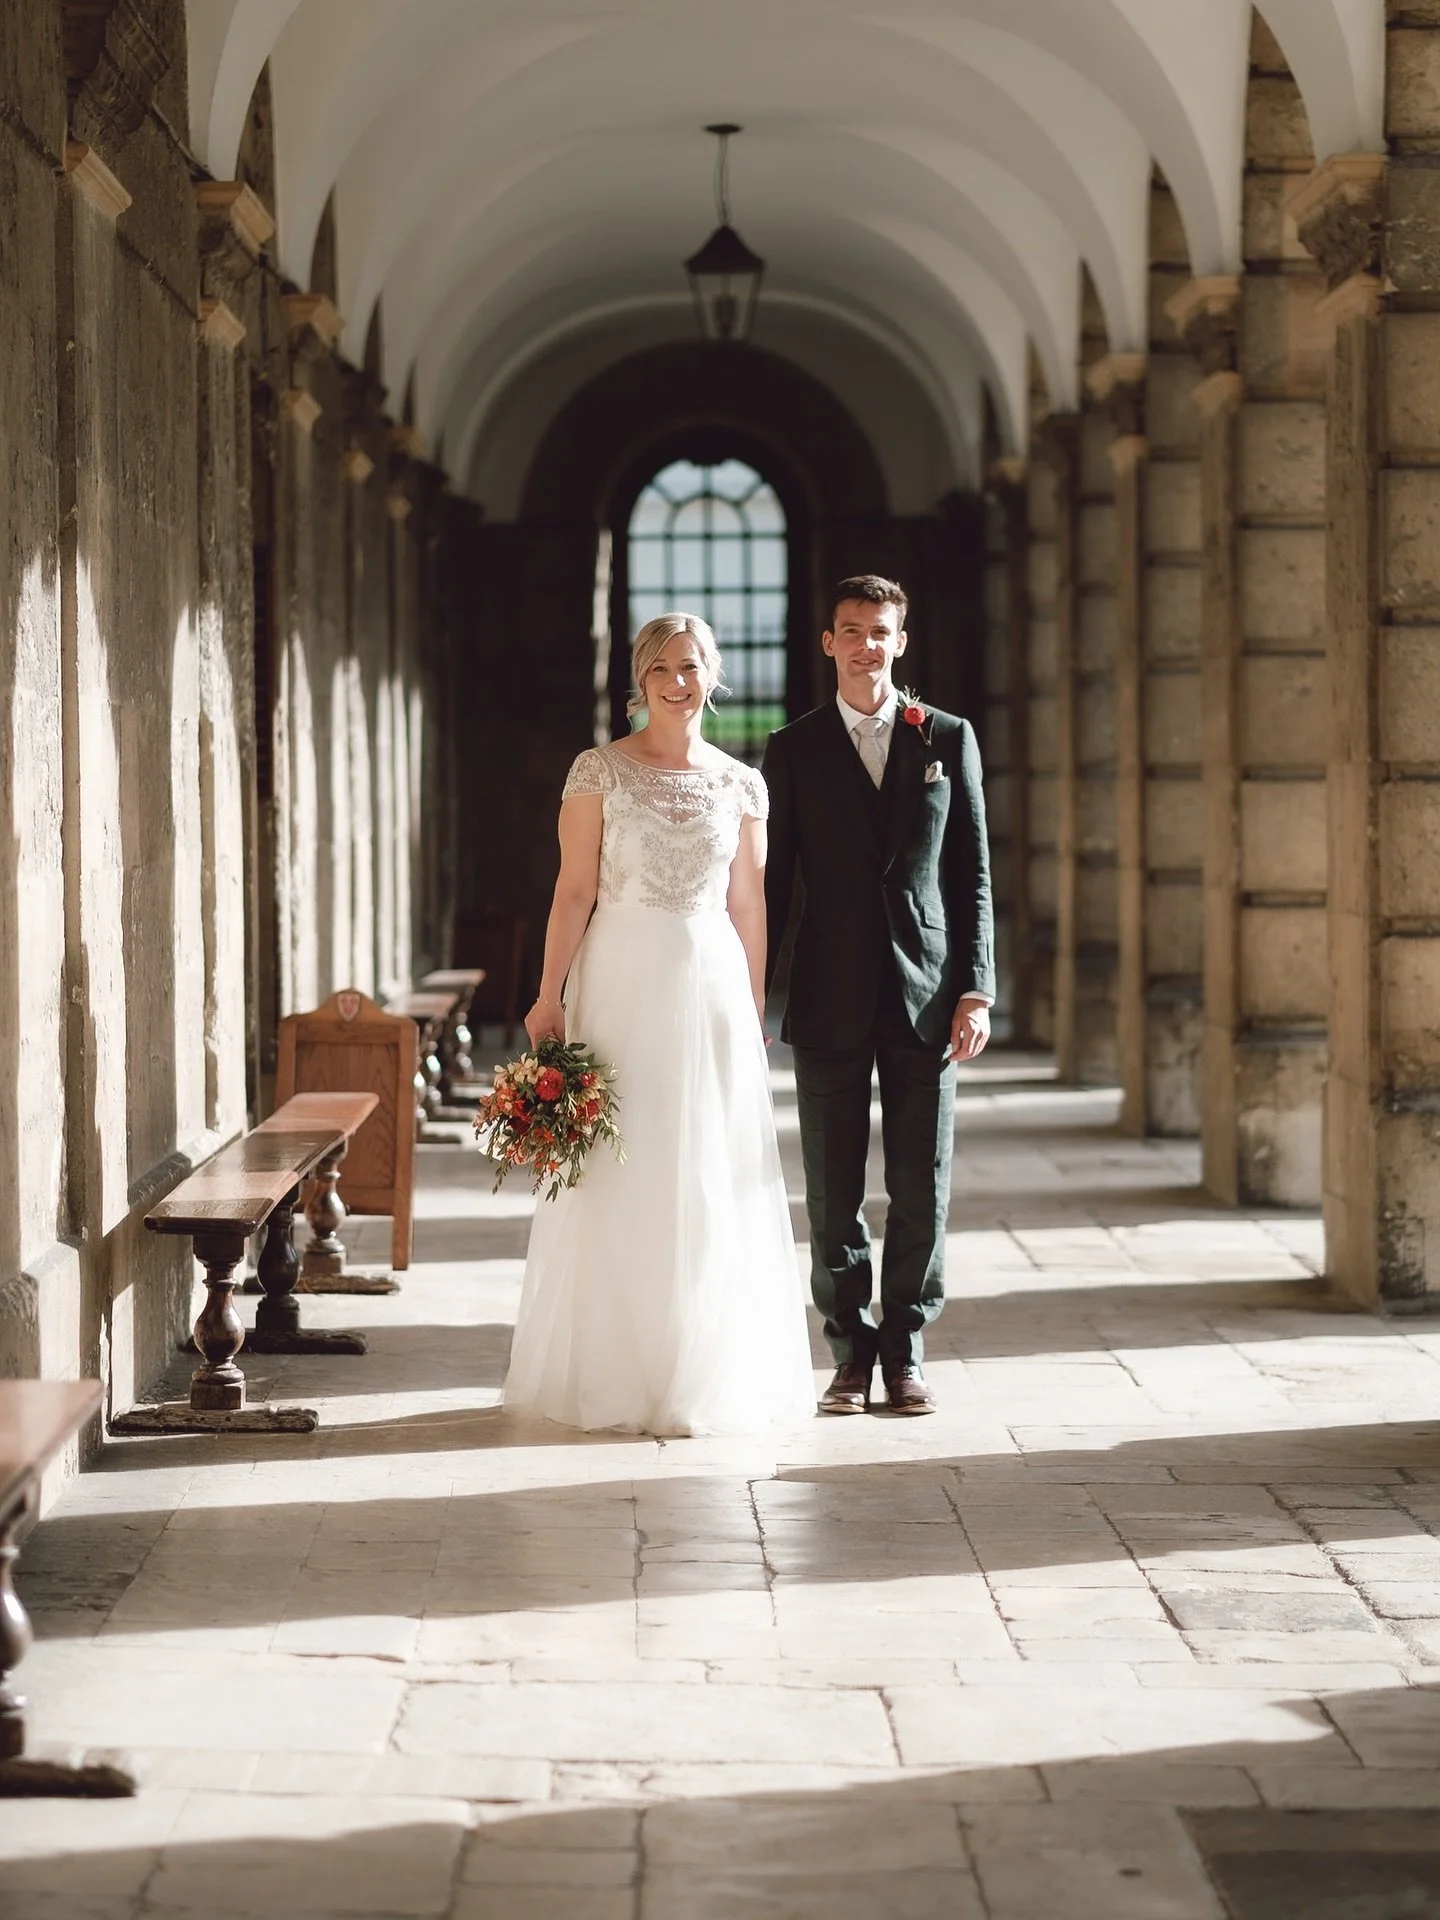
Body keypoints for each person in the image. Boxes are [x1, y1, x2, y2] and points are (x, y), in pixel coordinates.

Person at [503, 612, 816, 1436]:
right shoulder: (597, 772)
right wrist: (547, 994)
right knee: (620, 1162)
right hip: (620, 977)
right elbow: (573, 892)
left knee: (708, 1163)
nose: (680, 682)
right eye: (664, 669)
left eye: (694, 667)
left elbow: (749, 904)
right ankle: (617, 1370)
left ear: (715, 677)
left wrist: (753, 1011)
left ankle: (701, 1370)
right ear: (640, 679)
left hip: (711, 984)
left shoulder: (744, 783)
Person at [762, 575, 995, 1416]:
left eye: (881, 631)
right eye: (851, 631)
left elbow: (971, 872)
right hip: (826, 995)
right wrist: (749, 998)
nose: (866, 645)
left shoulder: (947, 738)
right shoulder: (792, 748)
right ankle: (849, 1353)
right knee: (832, 1187)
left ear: (902, 642)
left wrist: (977, 988)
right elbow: (771, 883)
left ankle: (906, 1351)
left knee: (921, 1180)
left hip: (928, 996)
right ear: (828, 642)